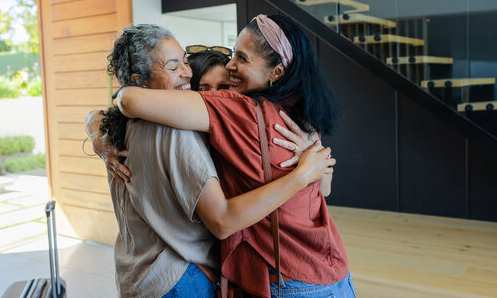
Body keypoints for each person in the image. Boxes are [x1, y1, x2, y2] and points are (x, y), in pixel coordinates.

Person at [115, 15, 355, 297]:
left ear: (276, 72)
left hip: (292, 279)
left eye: (242, 58)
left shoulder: (235, 110)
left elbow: (130, 99)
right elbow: (323, 190)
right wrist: (312, 168)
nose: (231, 65)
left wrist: (107, 111)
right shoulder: (302, 113)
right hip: (334, 270)